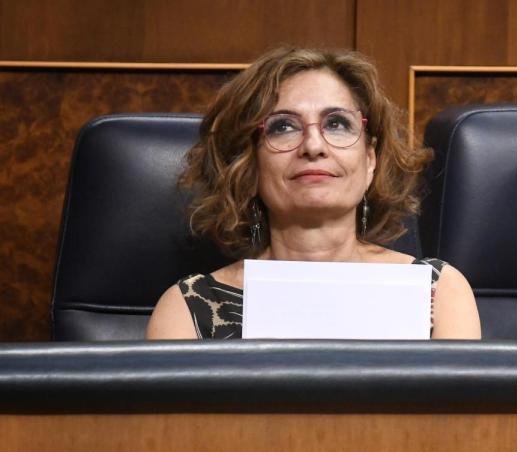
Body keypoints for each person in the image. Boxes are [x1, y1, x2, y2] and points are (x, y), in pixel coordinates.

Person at [147, 47, 480, 339]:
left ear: (369, 161)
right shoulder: (187, 310)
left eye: (336, 123)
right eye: (283, 127)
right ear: (248, 166)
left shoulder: (438, 292)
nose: (313, 146)